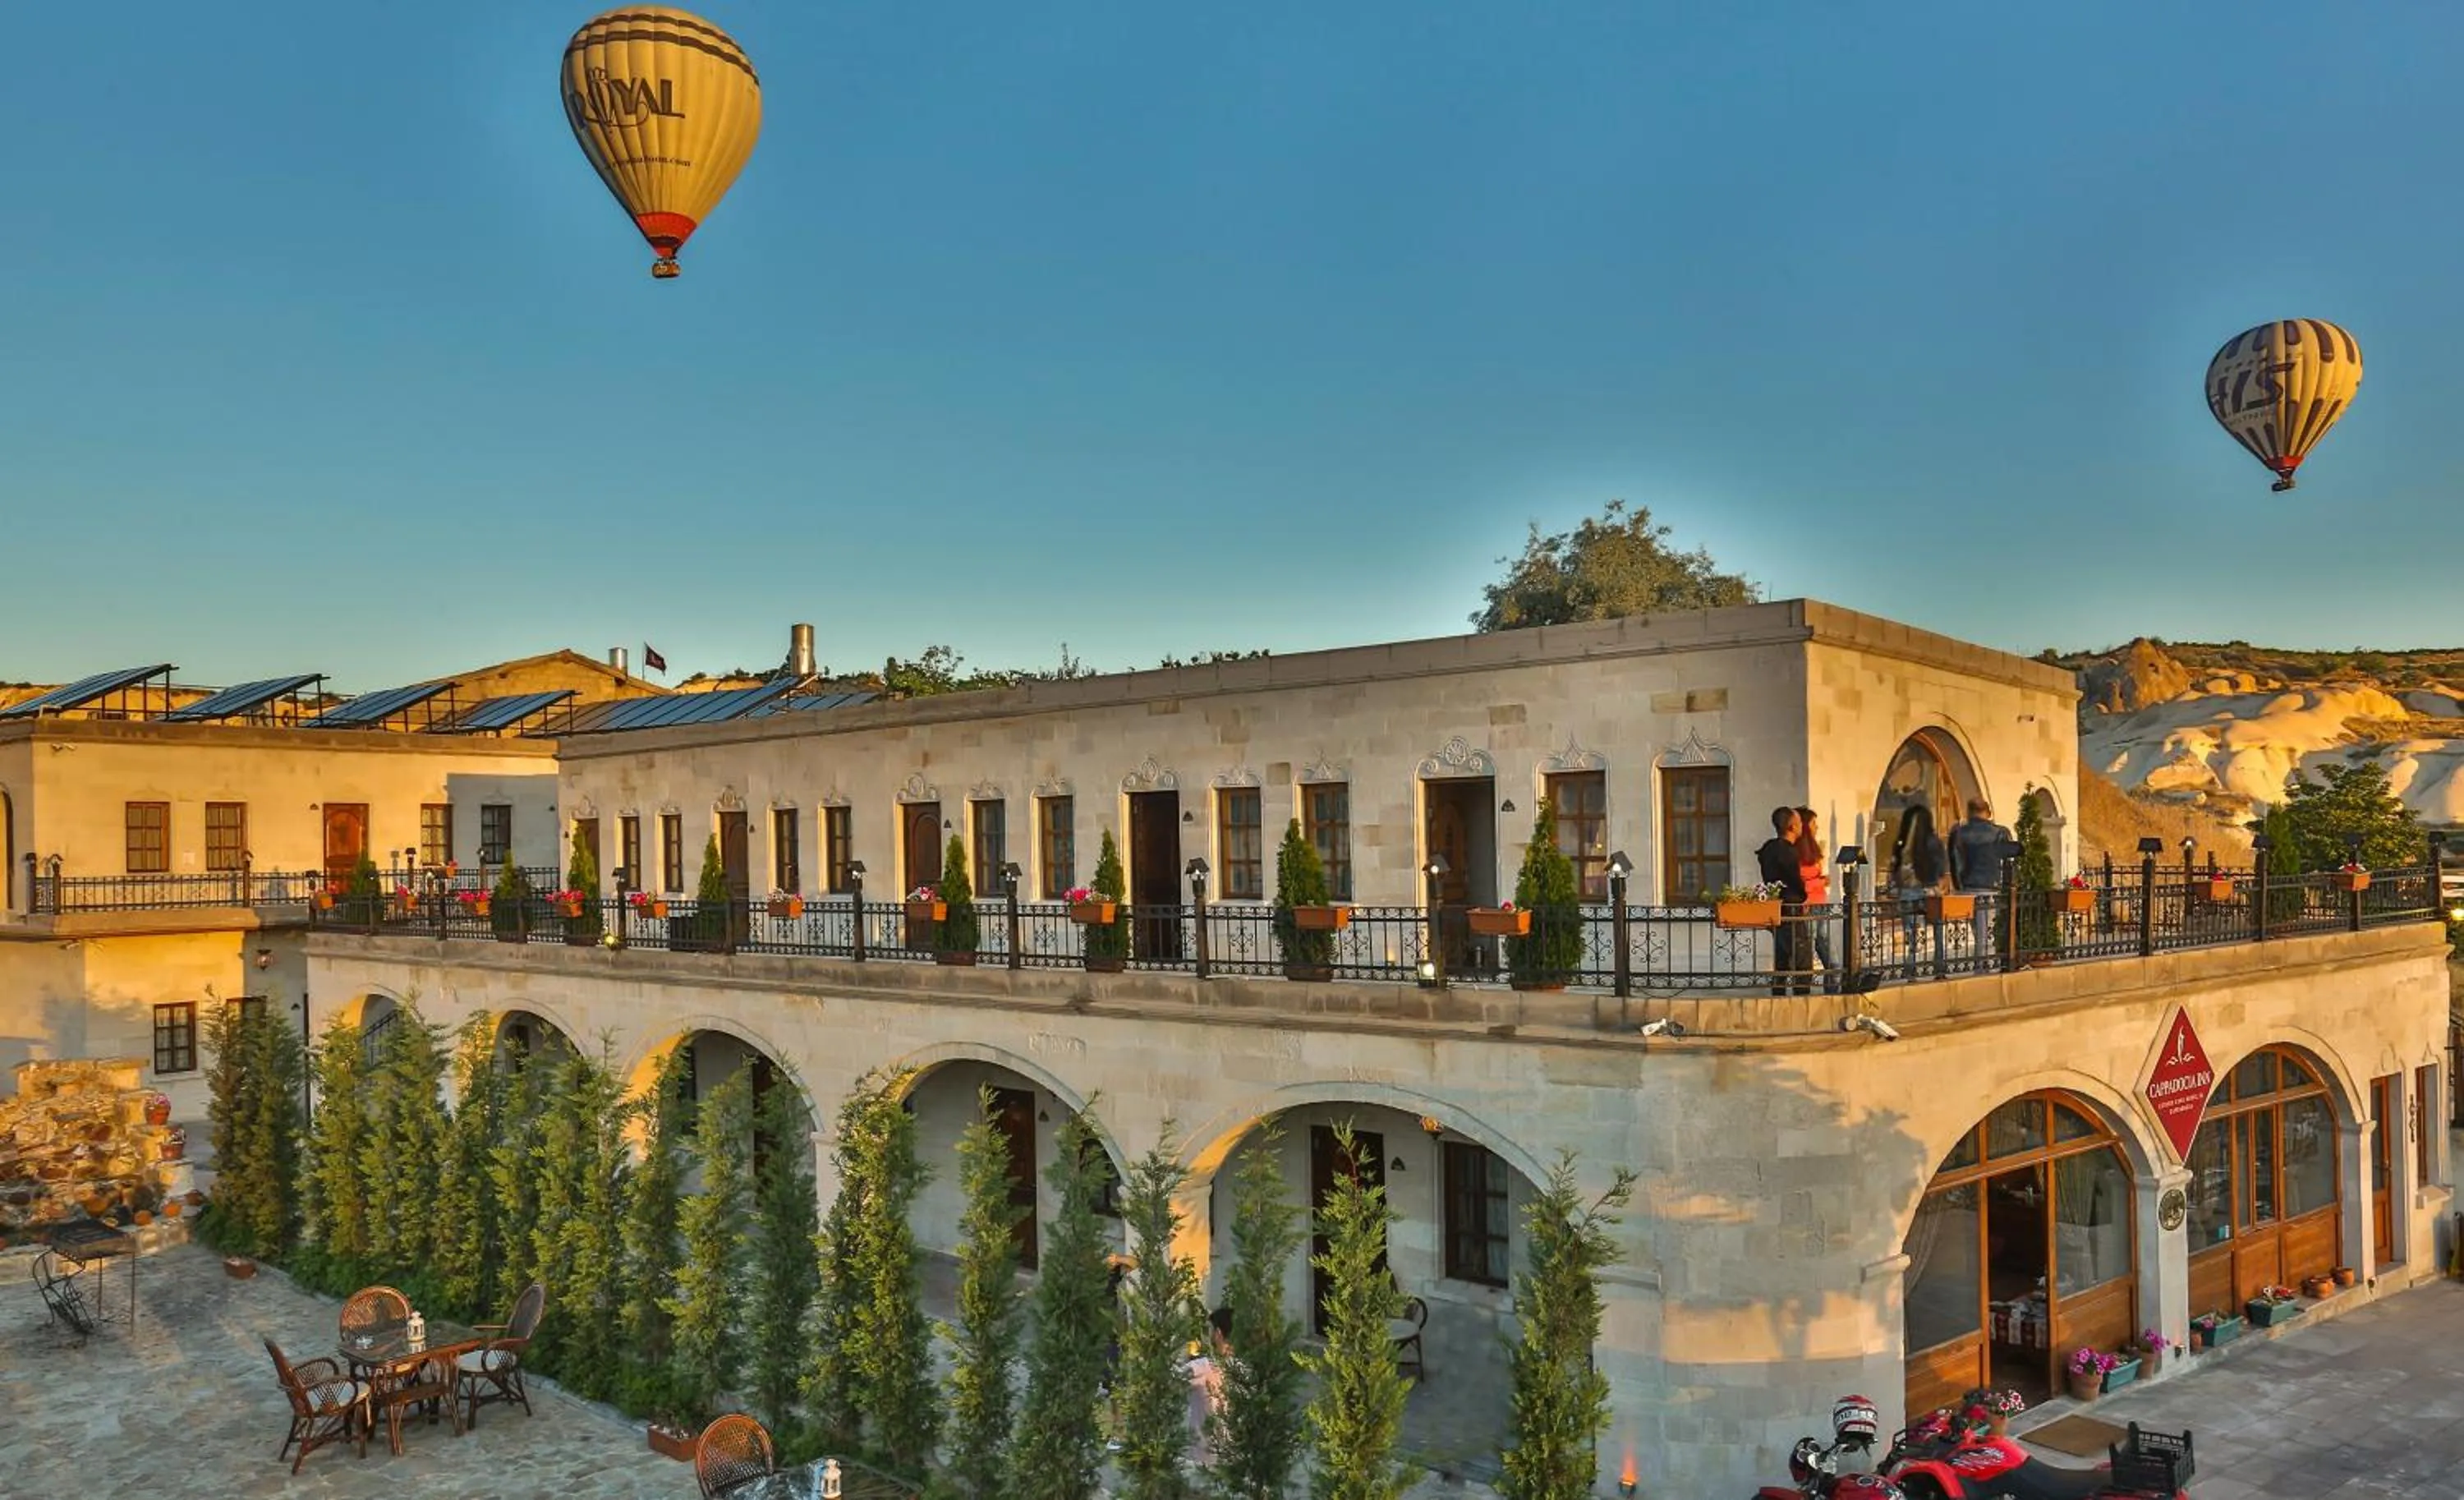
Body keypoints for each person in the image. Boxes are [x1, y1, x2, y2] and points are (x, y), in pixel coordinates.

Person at [1947, 797, 2012, 962]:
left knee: (1977, 930)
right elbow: (2008, 862)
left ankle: (1980, 963)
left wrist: (1958, 885)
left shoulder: (1958, 833)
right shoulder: (2000, 833)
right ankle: (1986, 964)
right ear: (1988, 813)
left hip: (1968, 887)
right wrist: (2007, 886)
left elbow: (1954, 860)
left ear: (1968, 812)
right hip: (1993, 886)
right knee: (1990, 929)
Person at [1756, 806, 1811, 996]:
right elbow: (1793, 880)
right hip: (1790, 906)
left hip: (1776, 905)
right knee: (1800, 953)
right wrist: (1803, 893)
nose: (1802, 826)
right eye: (1799, 823)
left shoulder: (1769, 849)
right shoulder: (1787, 851)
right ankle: (1801, 993)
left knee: (1782, 954)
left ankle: (1779, 992)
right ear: (1791, 826)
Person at [1887, 800, 1947, 974]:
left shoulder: (1901, 842)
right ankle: (1939, 964)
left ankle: (1911, 966)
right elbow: (1940, 865)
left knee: (1912, 932)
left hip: (1907, 891)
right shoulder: (1933, 841)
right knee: (1937, 927)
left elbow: (1894, 866)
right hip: (1929, 889)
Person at [1795, 808, 1838, 994]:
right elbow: (1801, 884)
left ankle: (1833, 992)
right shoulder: (1796, 852)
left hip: (1821, 904)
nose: (1816, 827)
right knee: (1808, 951)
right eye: (1813, 823)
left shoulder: (1813, 849)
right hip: (1808, 906)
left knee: (1831, 955)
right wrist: (1821, 881)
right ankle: (1805, 990)